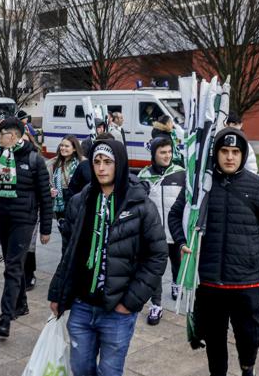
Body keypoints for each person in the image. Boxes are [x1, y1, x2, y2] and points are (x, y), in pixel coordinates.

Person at [168, 128, 259, 376]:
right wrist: (181, 243)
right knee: (214, 339)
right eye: (224, 151)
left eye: (235, 152)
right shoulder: (200, 187)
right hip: (209, 282)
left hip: (245, 282)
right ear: (216, 153)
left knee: (249, 335)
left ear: (243, 155)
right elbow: (174, 215)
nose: (230, 157)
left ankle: (247, 369)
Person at [48, 139, 168, 376]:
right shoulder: (80, 201)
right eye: (97, 162)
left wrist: (130, 302)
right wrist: (57, 293)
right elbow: (69, 253)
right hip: (82, 305)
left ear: (120, 164)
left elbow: (156, 256)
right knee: (81, 368)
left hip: (117, 309)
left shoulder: (140, 205)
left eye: (108, 162)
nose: (101, 168)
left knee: (110, 371)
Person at [0, 118, 53, 338]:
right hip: (2, 218)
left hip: (25, 220)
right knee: (11, 263)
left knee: (13, 267)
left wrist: (46, 229)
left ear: (14, 136)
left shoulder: (34, 160)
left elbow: (46, 198)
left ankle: (5, 317)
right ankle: (22, 304)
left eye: (1, 134)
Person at [137, 137, 185, 325]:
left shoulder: (181, 173)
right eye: (162, 152)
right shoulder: (144, 175)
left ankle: (175, 284)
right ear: (154, 154)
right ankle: (155, 305)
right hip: (154, 235)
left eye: (169, 152)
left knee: (177, 263)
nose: (167, 156)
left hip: (175, 233)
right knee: (154, 272)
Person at [69, 133, 115, 199]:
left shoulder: (119, 167)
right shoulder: (84, 166)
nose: (101, 168)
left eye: (107, 162)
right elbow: (72, 189)